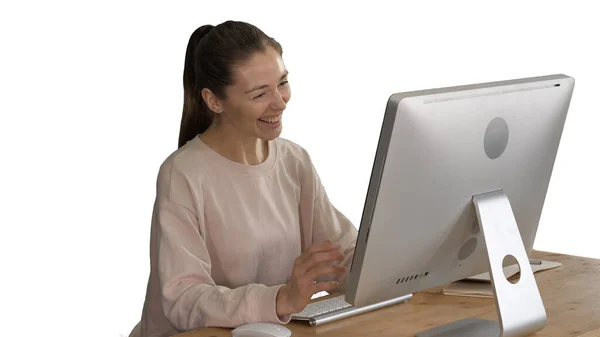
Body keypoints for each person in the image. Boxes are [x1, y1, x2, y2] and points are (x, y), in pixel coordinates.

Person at [129, 20, 358, 337]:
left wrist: (406, 259)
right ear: (214, 101)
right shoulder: (182, 175)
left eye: (282, 83)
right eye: (260, 93)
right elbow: (183, 300)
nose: (279, 102)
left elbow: (343, 253)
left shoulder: (294, 161)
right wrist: (281, 298)